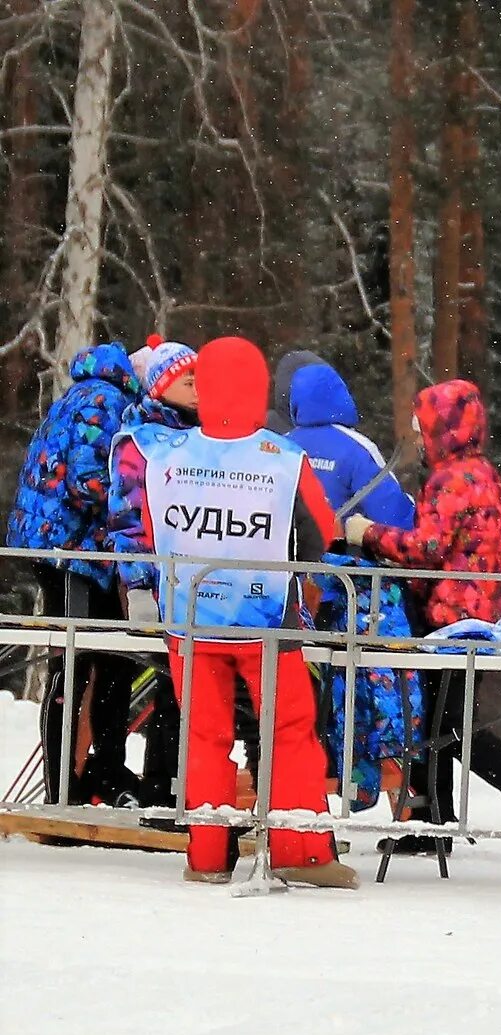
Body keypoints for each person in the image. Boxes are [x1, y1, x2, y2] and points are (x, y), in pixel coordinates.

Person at [109, 336, 353, 888]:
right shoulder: (284, 459)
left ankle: (207, 852)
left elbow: (148, 529)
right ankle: (301, 850)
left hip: (190, 618)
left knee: (203, 735)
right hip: (267, 621)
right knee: (289, 732)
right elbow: (319, 535)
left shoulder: (163, 452)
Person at [346, 378, 501, 852]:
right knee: (439, 724)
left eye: (424, 425)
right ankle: (436, 822)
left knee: (441, 729)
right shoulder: (484, 474)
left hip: (449, 619)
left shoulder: (452, 479)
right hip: (479, 614)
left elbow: (426, 549)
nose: (418, 435)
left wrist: (366, 533)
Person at [6, 340, 147, 805]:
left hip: (66, 545)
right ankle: (65, 784)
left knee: (97, 659)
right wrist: (134, 515)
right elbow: (88, 479)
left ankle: (95, 775)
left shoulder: (85, 392)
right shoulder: (105, 401)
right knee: (77, 661)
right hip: (69, 548)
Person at [286, 358, 424, 809]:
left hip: (297, 590)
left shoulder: (281, 447)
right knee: (377, 689)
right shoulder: (355, 447)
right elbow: (395, 515)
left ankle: (314, 795)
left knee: (309, 698)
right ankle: (400, 795)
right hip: (353, 589)